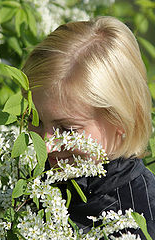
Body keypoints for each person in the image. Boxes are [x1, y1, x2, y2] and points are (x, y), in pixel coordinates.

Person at [22, 16, 155, 238]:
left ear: (120, 120)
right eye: (33, 120)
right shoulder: (20, 181)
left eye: (67, 129)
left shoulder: (143, 220)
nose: (44, 147)